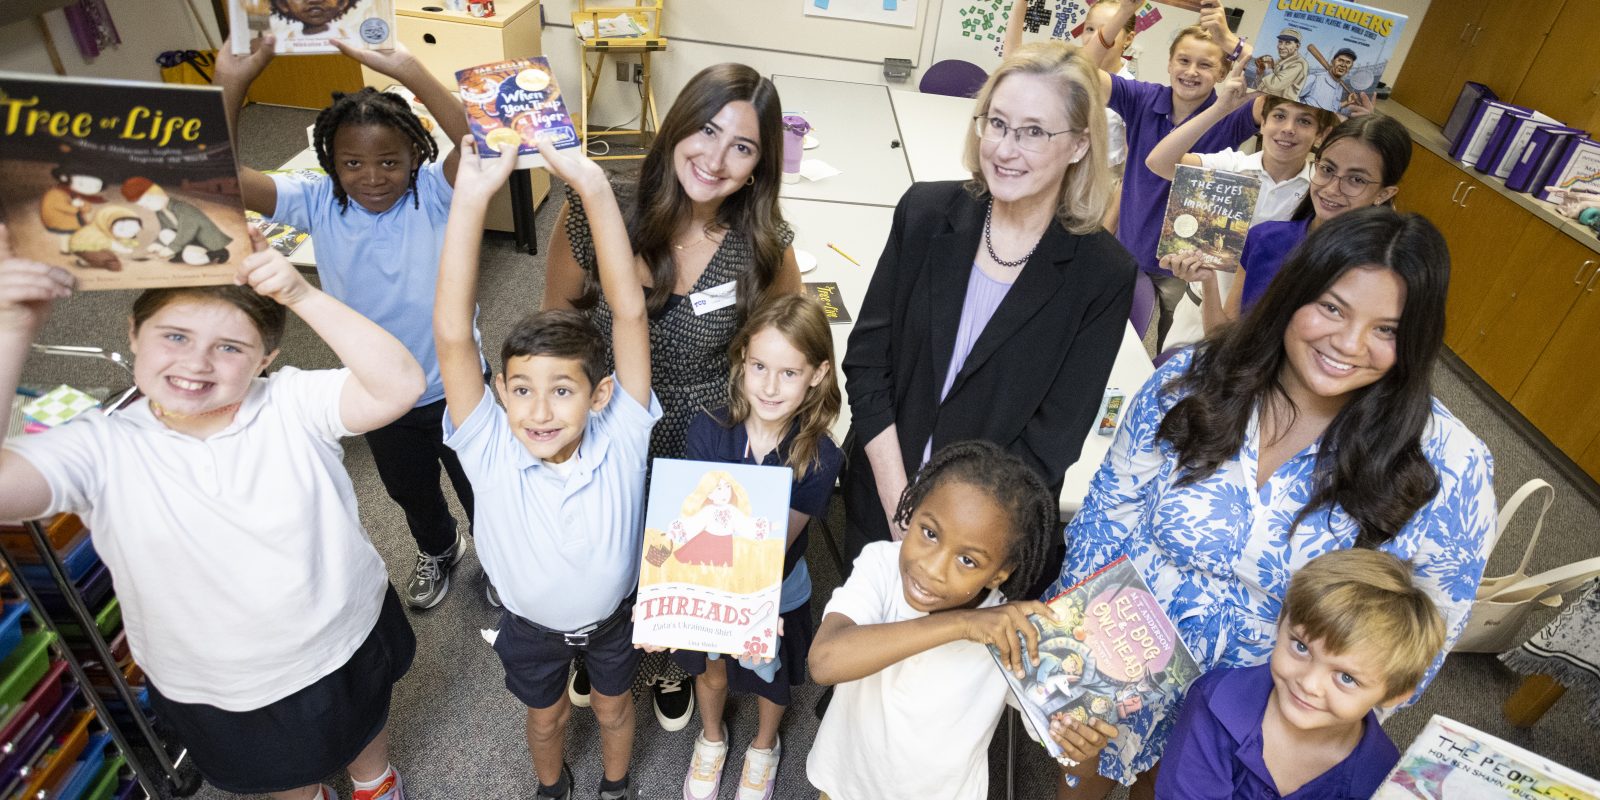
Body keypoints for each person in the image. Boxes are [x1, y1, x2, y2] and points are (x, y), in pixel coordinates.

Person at [1052, 207, 1497, 798]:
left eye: (1386, 329)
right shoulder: (1192, 380)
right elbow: (1107, 516)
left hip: (1265, 713)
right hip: (1120, 654)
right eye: (1332, 307)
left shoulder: (1450, 464)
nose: (1348, 344)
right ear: (1293, 294)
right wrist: (1068, 655)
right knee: (1079, 779)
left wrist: (1313, 732)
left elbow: (1424, 636)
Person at [0, 225, 426, 800]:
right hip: (220, 680)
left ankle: (374, 781)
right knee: (280, 774)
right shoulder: (99, 446)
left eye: (230, 347)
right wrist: (13, 325)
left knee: (367, 718)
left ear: (265, 358)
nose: (197, 363)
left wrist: (303, 295)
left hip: (344, 630)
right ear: (133, 333)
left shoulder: (289, 401)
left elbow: (399, 385)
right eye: (174, 336)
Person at [542, 61, 802, 729]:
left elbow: (790, 343)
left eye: (742, 147)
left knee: (682, 563)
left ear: (759, 164)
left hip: (703, 431)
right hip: (604, 420)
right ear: (677, 124)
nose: (716, 160)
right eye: (707, 131)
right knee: (603, 555)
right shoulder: (596, 211)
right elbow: (555, 331)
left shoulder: (762, 244)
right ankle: (596, 653)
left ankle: (668, 664)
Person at [841, 41, 1135, 585]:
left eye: (1033, 132)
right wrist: (900, 508)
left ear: (1077, 146)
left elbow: (1052, 442)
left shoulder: (1102, 273)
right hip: (882, 492)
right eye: (996, 124)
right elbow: (867, 364)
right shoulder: (925, 214)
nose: (1004, 148)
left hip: (986, 539)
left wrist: (945, 536)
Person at [218, 35, 486, 610]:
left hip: (459, 384)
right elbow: (219, 176)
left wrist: (410, 69)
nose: (372, 177)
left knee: (482, 485)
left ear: (415, 156)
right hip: (380, 392)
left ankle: (495, 553)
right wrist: (232, 84)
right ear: (330, 164)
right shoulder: (317, 200)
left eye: (389, 161)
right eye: (353, 163)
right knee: (409, 490)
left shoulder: (434, 193)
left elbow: (476, 139)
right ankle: (441, 549)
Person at [436, 134, 658, 800]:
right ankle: (551, 787)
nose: (538, 410)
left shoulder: (621, 435)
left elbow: (630, 311)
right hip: (530, 629)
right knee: (546, 718)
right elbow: (452, 335)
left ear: (600, 394)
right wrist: (473, 198)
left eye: (562, 390)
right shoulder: (490, 444)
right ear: (499, 392)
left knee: (617, 710)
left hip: (615, 621)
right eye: (521, 388)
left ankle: (616, 787)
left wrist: (591, 187)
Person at [807, 441, 1118, 800]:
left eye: (968, 561)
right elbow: (825, 661)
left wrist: (1083, 745)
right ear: (913, 508)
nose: (932, 569)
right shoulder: (881, 565)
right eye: (930, 533)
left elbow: (1070, 753)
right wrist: (961, 625)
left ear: (999, 574)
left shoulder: (1012, 634)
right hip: (846, 780)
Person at [674, 293, 844, 800]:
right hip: (709, 583)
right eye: (759, 367)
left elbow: (773, 548)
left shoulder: (820, 457)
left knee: (773, 681)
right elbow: (686, 518)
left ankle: (763, 747)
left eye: (790, 373)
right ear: (742, 360)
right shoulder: (708, 428)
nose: (770, 386)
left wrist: (750, 607)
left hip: (776, 590)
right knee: (711, 668)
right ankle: (711, 738)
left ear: (817, 374)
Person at [1155, 548, 1446, 799]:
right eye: (1301, 647)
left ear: (1395, 694)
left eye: (1346, 677)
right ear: (1281, 622)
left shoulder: (1384, 777)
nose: (1308, 683)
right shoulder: (1215, 702)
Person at [1079, 0, 1265, 346]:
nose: (1192, 71)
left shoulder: (1230, 115)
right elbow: (1080, 73)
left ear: (1222, 73)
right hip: (1128, 250)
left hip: (1182, 268)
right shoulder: (1142, 98)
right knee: (1107, 340)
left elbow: (1281, 87)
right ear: (1168, 64)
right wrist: (1123, 12)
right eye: (1183, 60)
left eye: (1206, 64)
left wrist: (1230, 42)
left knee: (1155, 347)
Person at [1145, 52, 1335, 346]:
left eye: (1304, 121)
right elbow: (1159, 162)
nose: (1288, 129)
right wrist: (1222, 107)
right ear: (1262, 122)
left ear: (1320, 134)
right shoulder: (1233, 167)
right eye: (1279, 116)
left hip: (1271, 328)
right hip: (1198, 309)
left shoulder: (1321, 190)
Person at [1177, 113, 1410, 330]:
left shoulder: (1381, 272)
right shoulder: (1265, 239)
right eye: (1327, 169)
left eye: (1356, 179)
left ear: (1384, 194)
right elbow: (1223, 339)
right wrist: (1209, 281)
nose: (1331, 189)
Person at [1299, 49, 1359, 115]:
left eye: (1348, 62)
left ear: (1350, 67)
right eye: (1340, 60)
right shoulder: (1315, 78)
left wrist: (1347, 102)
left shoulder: (1339, 87)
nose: (1343, 65)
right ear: (1332, 62)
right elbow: (1293, 97)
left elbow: (1332, 107)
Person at [1255, 28, 1309, 100]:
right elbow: (1261, 84)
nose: (1281, 47)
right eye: (1280, 42)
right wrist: (1260, 72)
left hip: (1277, 105)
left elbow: (1274, 85)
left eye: (1287, 43)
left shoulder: (1298, 64)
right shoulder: (1279, 61)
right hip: (1262, 99)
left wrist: (1267, 67)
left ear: (1297, 46)